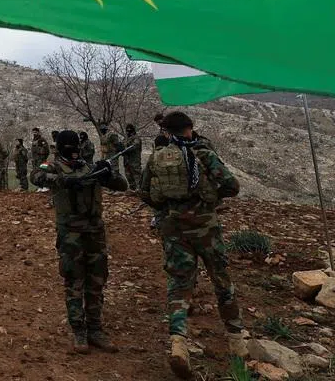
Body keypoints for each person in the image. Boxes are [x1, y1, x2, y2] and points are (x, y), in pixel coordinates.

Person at [139, 111, 246, 377]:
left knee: (179, 285)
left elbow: (146, 194)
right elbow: (232, 186)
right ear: (190, 128)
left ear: (167, 132)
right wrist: (209, 194)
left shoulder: (157, 157)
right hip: (206, 228)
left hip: (174, 229)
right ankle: (237, 341)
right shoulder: (203, 154)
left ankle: (178, 344)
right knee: (221, 280)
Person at [31, 130, 126, 354]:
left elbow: (122, 185)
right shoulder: (52, 165)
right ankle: (78, 330)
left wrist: (108, 173)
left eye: (76, 147)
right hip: (70, 234)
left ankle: (95, 328)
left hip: (95, 232)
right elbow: (35, 176)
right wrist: (64, 180)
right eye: (69, 148)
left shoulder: (89, 167)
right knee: (74, 281)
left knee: (96, 280)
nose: (74, 152)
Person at [122, 124, 142, 192]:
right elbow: (122, 145)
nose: (128, 132)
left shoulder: (136, 138)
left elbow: (134, 146)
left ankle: (139, 188)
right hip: (127, 160)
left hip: (134, 160)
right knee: (128, 175)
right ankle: (132, 188)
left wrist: (125, 149)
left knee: (137, 175)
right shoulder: (126, 138)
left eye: (129, 131)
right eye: (127, 131)